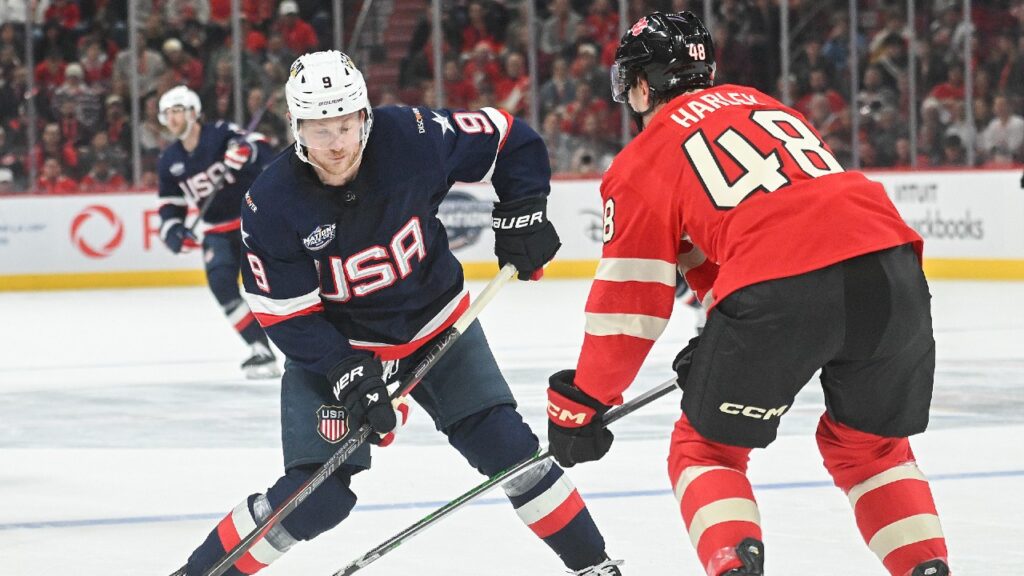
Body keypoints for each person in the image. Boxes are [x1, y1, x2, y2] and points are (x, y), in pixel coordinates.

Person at [173, 50, 624, 576]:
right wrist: (346, 373)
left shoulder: (412, 135)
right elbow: (285, 315)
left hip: (438, 327)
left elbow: (509, 138)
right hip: (342, 347)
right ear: (296, 129)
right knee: (317, 497)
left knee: (513, 453)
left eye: (345, 124)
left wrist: (521, 213)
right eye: (320, 130)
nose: (337, 144)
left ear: (365, 114)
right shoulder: (270, 203)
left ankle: (596, 567)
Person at [545, 12, 950, 576]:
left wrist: (585, 399)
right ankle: (925, 569)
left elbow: (631, 303)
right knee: (872, 451)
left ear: (641, 85)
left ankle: (733, 566)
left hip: (783, 284)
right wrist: (720, 329)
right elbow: (774, 215)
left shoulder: (642, 160)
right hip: (893, 268)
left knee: (706, 450)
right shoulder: (765, 105)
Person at [156, 85, 280, 379]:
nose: (172, 119)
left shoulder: (219, 133)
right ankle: (259, 348)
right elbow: (169, 205)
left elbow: (260, 145)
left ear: (193, 112)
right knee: (221, 283)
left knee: (279, 283)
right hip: (216, 229)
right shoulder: (169, 160)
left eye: (177, 111)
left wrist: (246, 152)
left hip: (254, 220)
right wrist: (173, 231)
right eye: (167, 114)